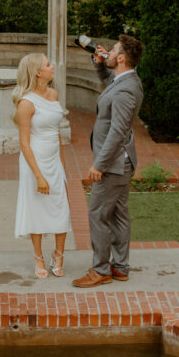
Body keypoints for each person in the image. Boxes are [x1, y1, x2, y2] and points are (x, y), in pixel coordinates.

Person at [73, 33, 144, 288]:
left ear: (122, 58)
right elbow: (109, 84)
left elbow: (118, 132)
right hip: (119, 162)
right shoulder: (124, 80)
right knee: (118, 214)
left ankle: (101, 270)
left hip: (113, 164)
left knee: (98, 214)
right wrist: (100, 63)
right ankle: (120, 267)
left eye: (113, 51)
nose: (109, 52)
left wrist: (99, 165)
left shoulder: (127, 90)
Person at [13, 53, 71, 278]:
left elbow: (56, 134)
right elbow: (24, 143)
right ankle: (38, 257)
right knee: (37, 208)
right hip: (34, 162)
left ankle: (59, 254)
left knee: (61, 207)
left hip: (54, 160)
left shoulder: (53, 94)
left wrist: (62, 168)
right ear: (38, 72)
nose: (51, 66)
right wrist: (38, 175)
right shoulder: (25, 103)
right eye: (47, 64)